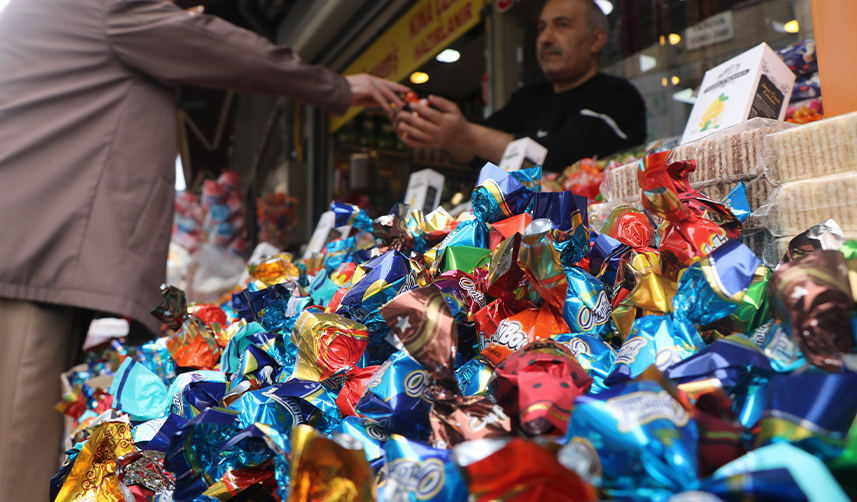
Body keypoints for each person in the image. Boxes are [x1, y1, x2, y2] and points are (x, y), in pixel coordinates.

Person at [0, 0, 407, 499]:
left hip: (33, 245)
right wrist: (338, 86)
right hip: (36, 252)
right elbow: (215, 46)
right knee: (18, 439)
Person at [392, 0, 647, 171]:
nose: (545, 38)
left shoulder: (616, 95)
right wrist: (437, 133)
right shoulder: (528, 99)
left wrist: (465, 134)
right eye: (541, 28)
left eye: (562, 25)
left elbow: (562, 158)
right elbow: (474, 153)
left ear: (596, 40)